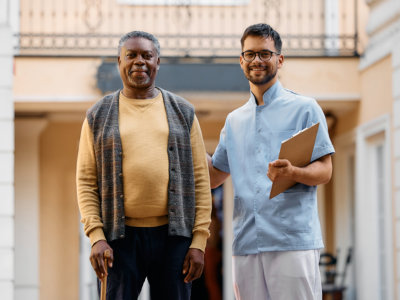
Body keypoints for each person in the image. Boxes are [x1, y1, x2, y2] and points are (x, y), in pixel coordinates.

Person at [76, 30, 212, 300]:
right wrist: (96, 236)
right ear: (119, 61)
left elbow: (200, 178)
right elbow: (86, 181)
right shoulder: (98, 115)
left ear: (157, 62)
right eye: (131, 55)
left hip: (175, 240)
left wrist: (199, 241)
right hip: (118, 238)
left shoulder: (183, 112)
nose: (139, 61)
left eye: (147, 55)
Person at [207, 23, 335, 300]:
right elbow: (214, 175)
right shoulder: (234, 120)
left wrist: (294, 171)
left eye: (265, 54)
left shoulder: (305, 108)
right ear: (241, 60)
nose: (257, 61)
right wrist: (184, 145)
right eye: (250, 54)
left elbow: (325, 170)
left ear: (280, 59)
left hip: (292, 241)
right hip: (245, 243)